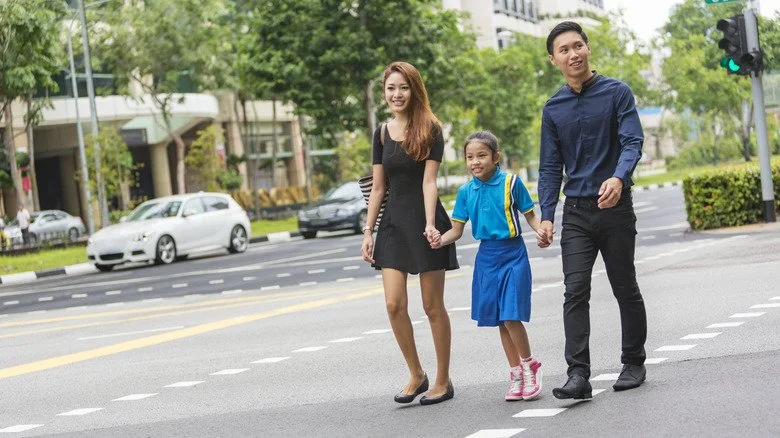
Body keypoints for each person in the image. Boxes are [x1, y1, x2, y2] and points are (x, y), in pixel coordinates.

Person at [537, 21, 648, 400]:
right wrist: (547, 214)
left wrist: (619, 178)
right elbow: (551, 167)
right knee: (575, 291)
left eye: (578, 45)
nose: (573, 54)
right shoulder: (553, 108)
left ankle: (633, 361)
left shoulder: (617, 93)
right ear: (554, 59)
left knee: (624, 286)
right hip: (578, 215)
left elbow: (633, 141)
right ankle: (578, 375)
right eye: (564, 49)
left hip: (616, 208)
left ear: (587, 48)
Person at [361, 61, 459, 405]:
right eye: (390, 88)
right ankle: (417, 374)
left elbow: (429, 181)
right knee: (393, 304)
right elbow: (377, 188)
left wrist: (431, 224)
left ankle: (443, 381)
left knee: (433, 307)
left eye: (403, 87)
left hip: (424, 219)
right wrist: (368, 231)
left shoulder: (431, 128)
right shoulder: (382, 133)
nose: (396, 94)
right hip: (392, 225)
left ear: (414, 89)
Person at [430, 131, 545, 401]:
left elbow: (531, 217)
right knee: (500, 322)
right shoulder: (465, 191)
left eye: (481, 155)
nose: (475, 162)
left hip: (513, 254)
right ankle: (515, 373)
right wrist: (438, 240)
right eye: (470, 157)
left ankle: (530, 366)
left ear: (495, 157)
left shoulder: (511, 183)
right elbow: (457, 230)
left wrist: (541, 231)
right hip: (486, 259)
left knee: (510, 315)